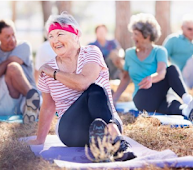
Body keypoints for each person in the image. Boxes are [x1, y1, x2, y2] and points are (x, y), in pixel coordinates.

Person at [28, 12, 136, 162]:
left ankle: (106, 142)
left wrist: (54, 73)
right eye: (51, 36)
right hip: (71, 129)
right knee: (95, 90)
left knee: (95, 89)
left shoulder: (91, 52)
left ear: (75, 35)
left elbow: (83, 83)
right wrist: (39, 140)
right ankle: (114, 142)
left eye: (60, 34)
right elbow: (47, 106)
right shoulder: (47, 68)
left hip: (107, 119)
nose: (54, 40)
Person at [113, 13, 193, 122]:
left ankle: (188, 108)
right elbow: (125, 78)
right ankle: (190, 101)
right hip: (142, 97)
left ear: (147, 35)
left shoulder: (159, 51)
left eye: (135, 34)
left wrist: (150, 79)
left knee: (173, 101)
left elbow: (162, 73)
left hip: (161, 95)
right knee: (171, 72)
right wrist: (114, 99)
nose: (132, 37)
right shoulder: (129, 53)